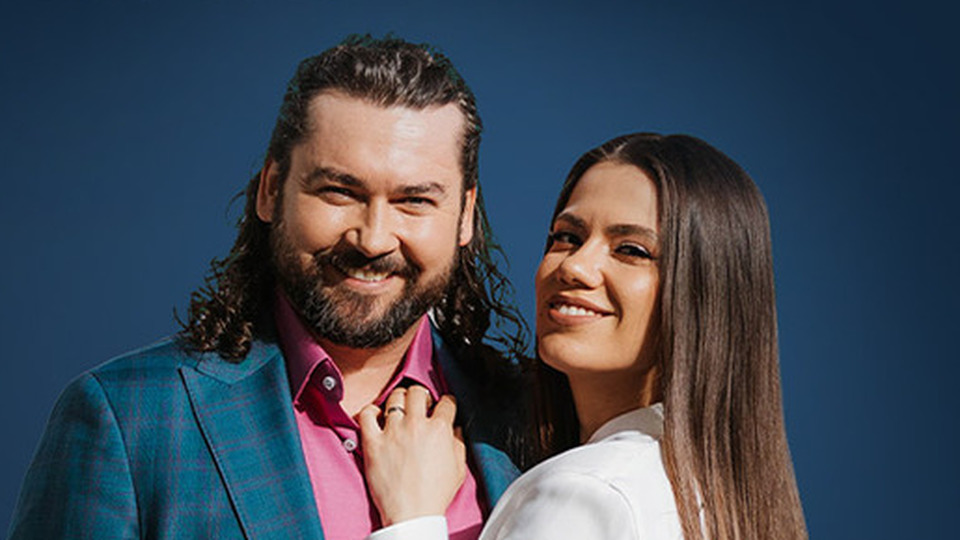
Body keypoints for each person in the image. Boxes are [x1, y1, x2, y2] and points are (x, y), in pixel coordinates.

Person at [8, 35, 527, 540]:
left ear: (465, 216)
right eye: (339, 192)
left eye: (413, 201)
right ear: (271, 190)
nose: (373, 238)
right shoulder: (128, 418)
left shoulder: (529, 418)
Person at [360, 132, 809, 540]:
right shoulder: (714, 500)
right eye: (567, 237)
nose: (574, 266)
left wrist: (411, 518)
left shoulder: (588, 493)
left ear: (704, 294)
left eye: (631, 250)